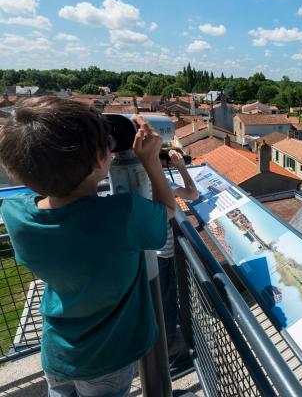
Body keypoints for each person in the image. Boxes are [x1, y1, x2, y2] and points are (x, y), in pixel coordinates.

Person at [0, 96, 176, 397]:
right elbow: (168, 211)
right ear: (99, 159)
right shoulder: (121, 215)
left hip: (58, 351)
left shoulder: (14, 214)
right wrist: (150, 162)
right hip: (108, 358)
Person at [157, 149, 198, 352]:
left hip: (144, 251)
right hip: (162, 254)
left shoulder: (132, 179)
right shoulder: (160, 182)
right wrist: (182, 168)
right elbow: (193, 193)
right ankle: (169, 346)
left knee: (157, 299)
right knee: (168, 301)